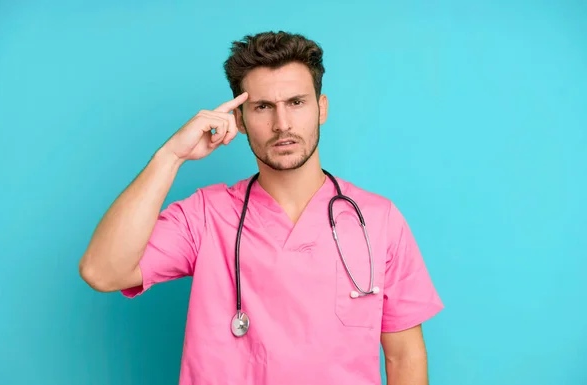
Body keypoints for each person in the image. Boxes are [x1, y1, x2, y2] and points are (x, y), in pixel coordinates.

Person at [79, 30, 444, 385]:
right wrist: (171, 156)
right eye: (263, 107)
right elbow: (102, 271)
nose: (281, 124)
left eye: (296, 103)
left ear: (322, 108)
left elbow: (404, 356)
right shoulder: (206, 216)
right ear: (239, 120)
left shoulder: (377, 220)